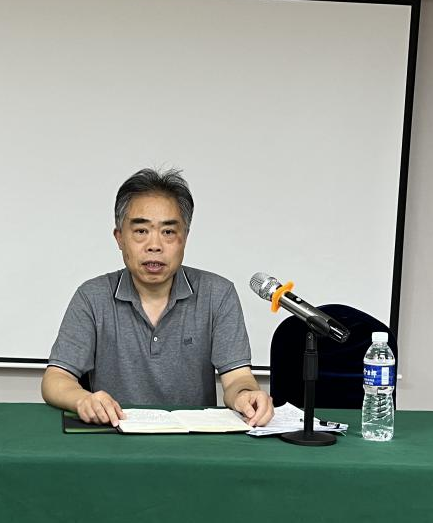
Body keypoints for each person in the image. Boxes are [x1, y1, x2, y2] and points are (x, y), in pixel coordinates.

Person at [42, 168, 274, 427]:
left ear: (185, 237)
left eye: (168, 232)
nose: (154, 245)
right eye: (141, 231)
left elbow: (237, 378)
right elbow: (56, 379)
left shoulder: (217, 294)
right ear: (120, 238)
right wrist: (82, 400)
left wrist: (245, 395)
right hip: (114, 435)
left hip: (193, 439)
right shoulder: (92, 297)